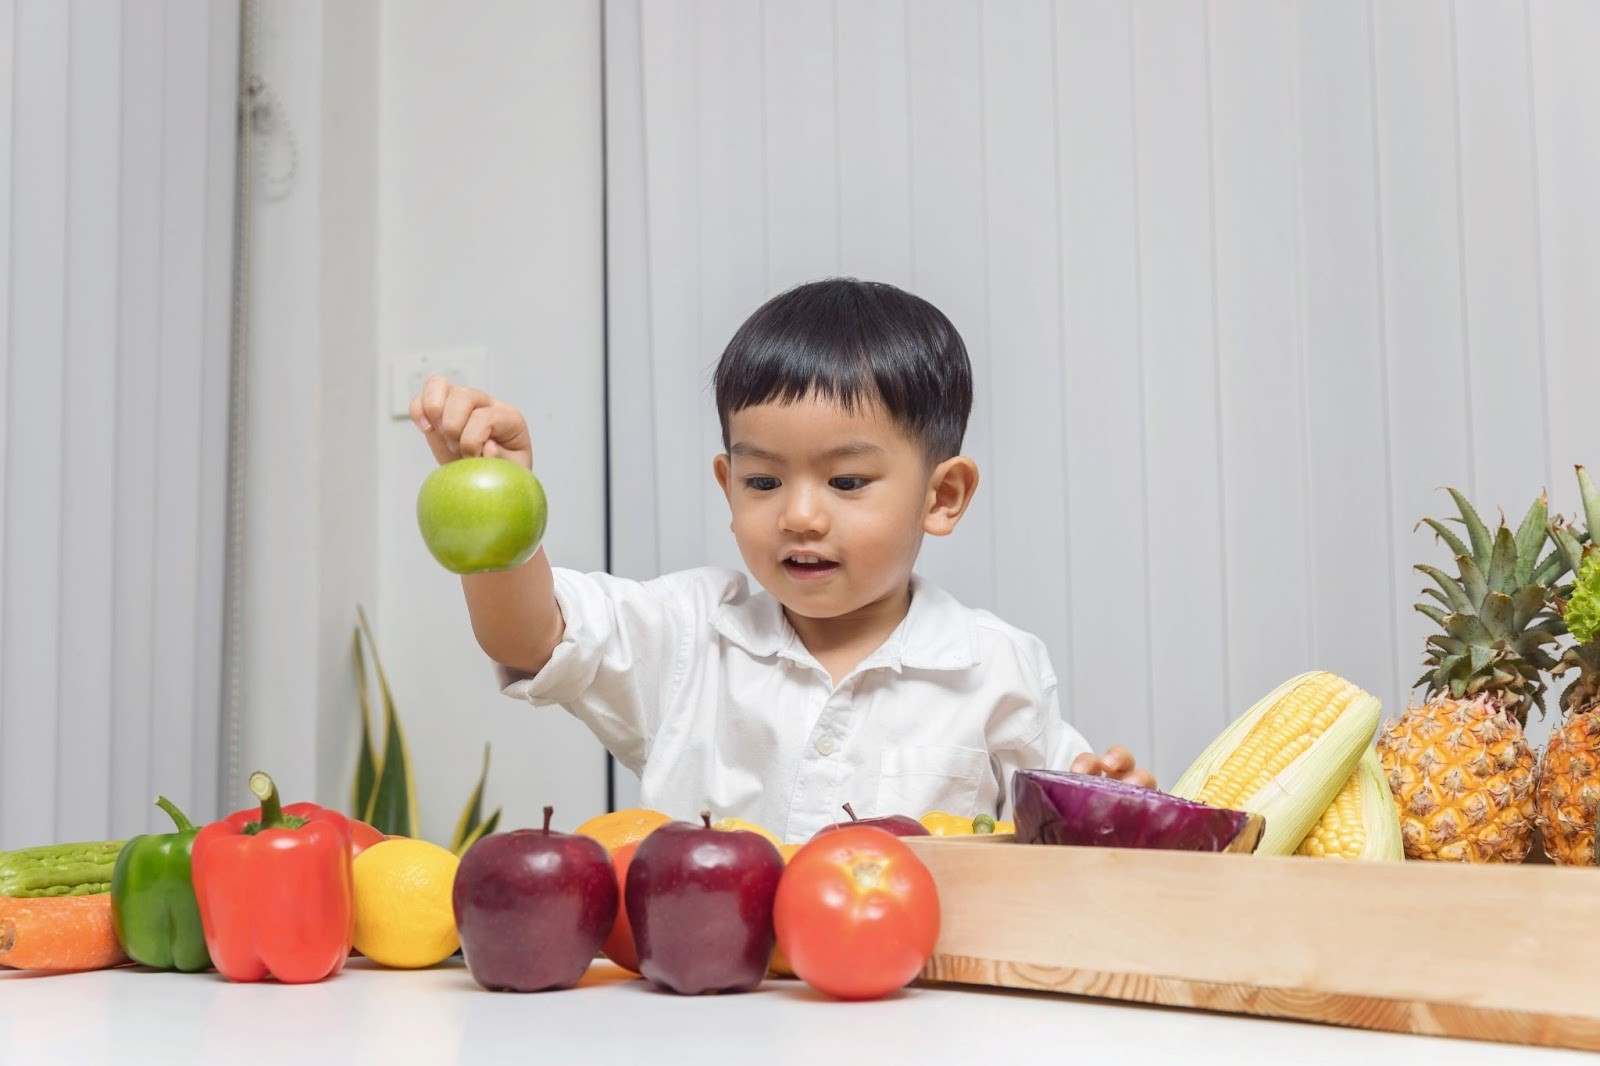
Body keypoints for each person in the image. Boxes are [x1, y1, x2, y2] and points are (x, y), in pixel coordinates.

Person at [410, 278, 1156, 842]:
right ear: (727, 487)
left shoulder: (996, 668)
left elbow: (1058, 839)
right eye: (763, 481)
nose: (799, 515)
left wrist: (1105, 802)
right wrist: (499, 499)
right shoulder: (688, 632)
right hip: (709, 1010)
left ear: (944, 495)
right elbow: (527, 638)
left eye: (847, 482)